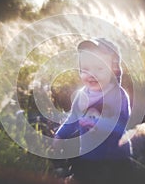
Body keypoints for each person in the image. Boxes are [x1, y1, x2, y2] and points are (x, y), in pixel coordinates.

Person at [53, 37, 133, 183]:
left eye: (99, 68)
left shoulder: (118, 96)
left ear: (113, 70)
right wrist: (60, 135)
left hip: (115, 158)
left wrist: (98, 124)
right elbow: (73, 118)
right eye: (85, 69)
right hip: (88, 155)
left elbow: (121, 124)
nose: (91, 74)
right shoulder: (81, 95)